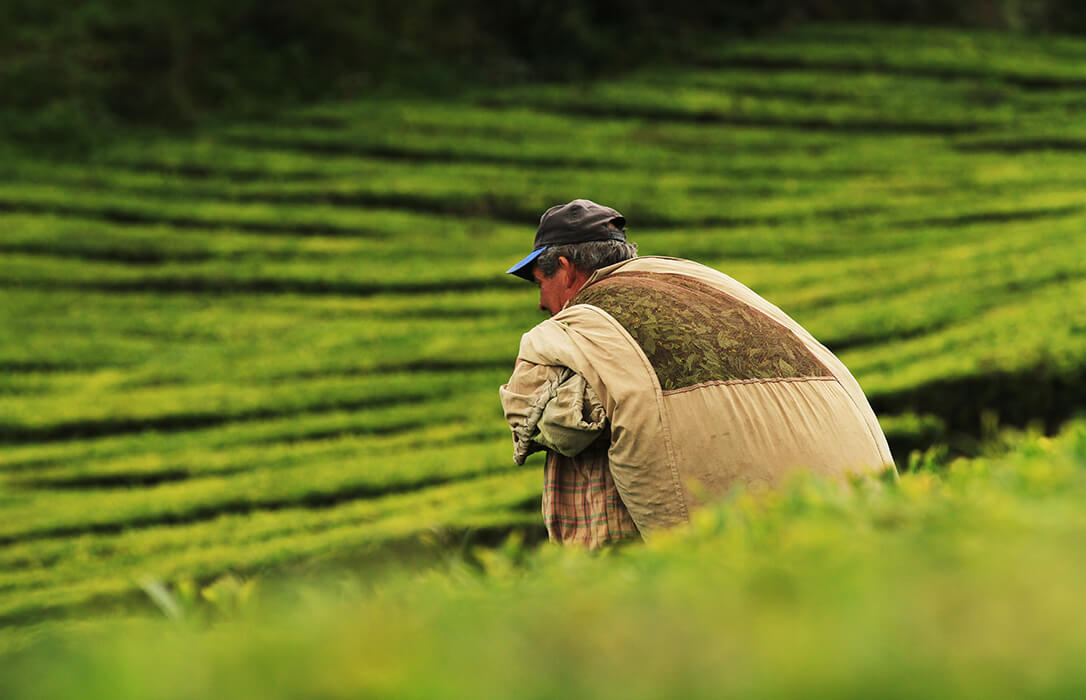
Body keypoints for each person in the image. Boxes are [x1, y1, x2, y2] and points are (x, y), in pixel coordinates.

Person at [499, 199, 895, 547]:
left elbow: (531, 413)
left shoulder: (585, 322)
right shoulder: (695, 285)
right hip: (842, 506)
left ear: (565, 270)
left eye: (541, 283)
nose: (541, 303)